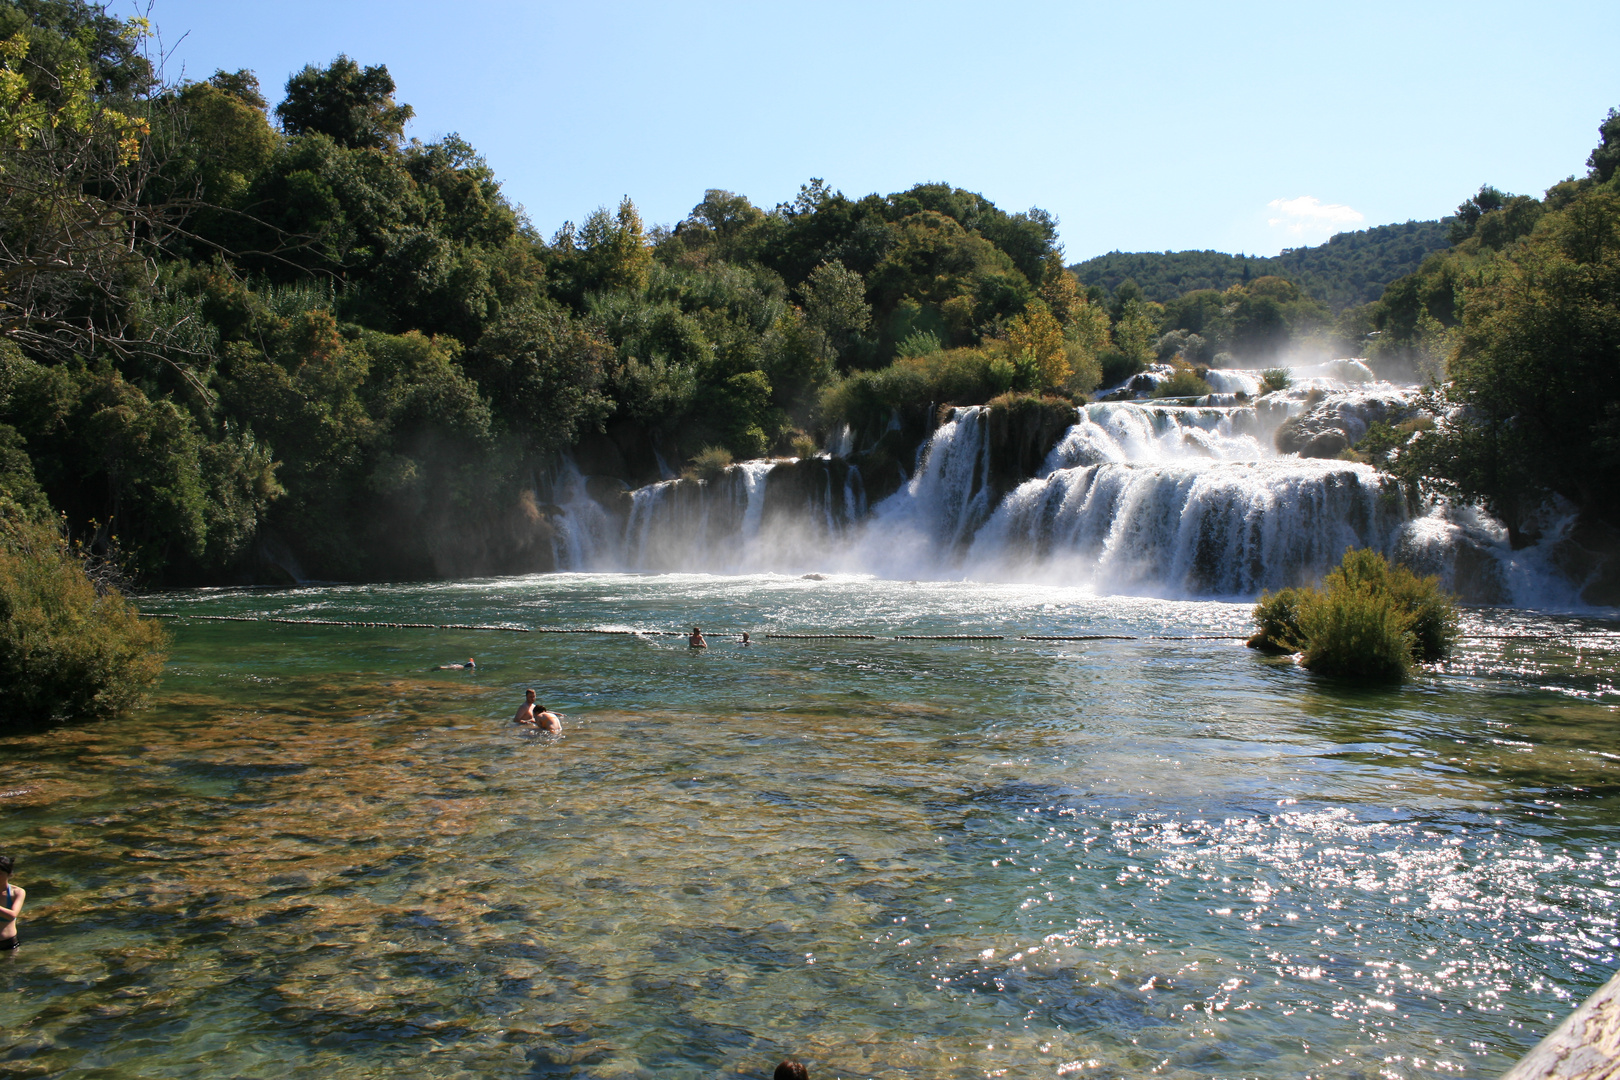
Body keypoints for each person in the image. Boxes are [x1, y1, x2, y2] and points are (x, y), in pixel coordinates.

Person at [0, 854, 24, 951]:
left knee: (10, 966)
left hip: (9, 943)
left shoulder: (17, 892)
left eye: (0, 873)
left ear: (9, 874)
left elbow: (12, 915)